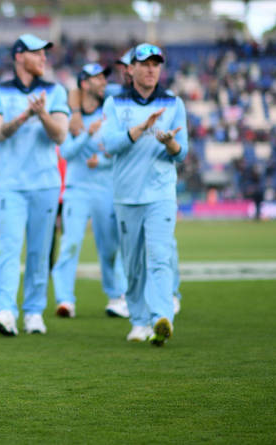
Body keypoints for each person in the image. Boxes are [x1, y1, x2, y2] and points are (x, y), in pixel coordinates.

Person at [101, 43, 188, 346]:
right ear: (131, 69)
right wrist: (141, 129)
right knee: (133, 265)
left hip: (161, 194)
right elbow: (110, 144)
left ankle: (162, 317)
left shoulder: (174, 103)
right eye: (145, 64)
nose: (151, 69)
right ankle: (138, 321)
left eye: (156, 64)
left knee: (160, 257)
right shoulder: (114, 104)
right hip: (127, 195)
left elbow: (182, 152)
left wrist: (169, 143)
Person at [0, 34, 69, 337]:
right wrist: (23, 117)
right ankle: (5, 310)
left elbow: (60, 135)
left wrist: (42, 113)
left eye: (45, 53)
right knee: (8, 247)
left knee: (39, 251)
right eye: (37, 52)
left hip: (45, 184)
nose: (44, 58)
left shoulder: (55, 91)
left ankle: (34, 312)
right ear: (19, 56)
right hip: (10, 184)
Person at [52, 63, 128, 319]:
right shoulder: (68, 114)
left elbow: (117, 149)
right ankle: (65, 300)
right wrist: (87, 134)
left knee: (109, 247)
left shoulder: (111, 110)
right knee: (70, 243)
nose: (104, 82)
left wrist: (103, 161)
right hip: (77, 189)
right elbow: (66, 152)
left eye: (104, 78)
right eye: (97, 78)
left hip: (106, 189)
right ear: (84, 83)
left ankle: (116, 297)